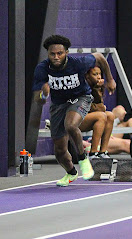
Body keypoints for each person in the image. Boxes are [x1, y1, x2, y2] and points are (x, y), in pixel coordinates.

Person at [32, 34, 116, 186]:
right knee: (59, 151)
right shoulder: (42, 69)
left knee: (70, 125)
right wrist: (43, 94)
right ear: (48, 54)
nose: (56, 57)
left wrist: (109, 79)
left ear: (66, 53)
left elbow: (100, 58)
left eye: (60, 53)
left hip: (81, 97)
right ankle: (71, 173)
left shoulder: (79, 63)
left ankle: (83, 159)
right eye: (52, 54)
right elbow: (38, 100)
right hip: (58, 104)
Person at [80, 66, 116, 159]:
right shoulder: (83, 87)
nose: (99, 77)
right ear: (87, 76)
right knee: (101, 116)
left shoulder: (96, 87)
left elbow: (99, 107)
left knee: (110, 115)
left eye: (99, 74)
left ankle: (103, 152)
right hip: (76, 120)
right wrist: (99, 107)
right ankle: (92, 153)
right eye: (95, 74)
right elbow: (92, 108)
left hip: (89, 118)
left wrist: (97, 88)